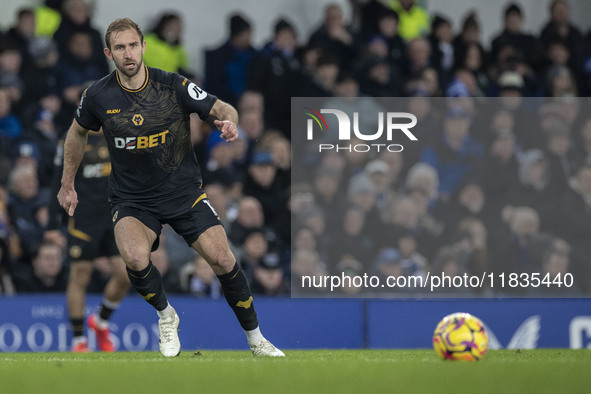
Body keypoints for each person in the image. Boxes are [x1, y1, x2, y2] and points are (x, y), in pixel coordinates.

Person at [57, 18, 283, 357]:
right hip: (132, 199)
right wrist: (67, 183)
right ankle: (166, 316)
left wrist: (230, 123)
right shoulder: (97, 96)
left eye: (133, 45)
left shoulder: (173, 85)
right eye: (120, 48)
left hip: (183, 193)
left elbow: (222, 107)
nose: (128, 53)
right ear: (109, 53)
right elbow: (76, 132)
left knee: (222, 259)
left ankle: (256, 339)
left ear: (144, 47)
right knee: (133, 257)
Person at [46, 131, 130, 353]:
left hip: (113, 216)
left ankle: (100, 322)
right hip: (83, 219)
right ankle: (78, 341)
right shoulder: (71, 139)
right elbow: (58, 180)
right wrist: (52, 225)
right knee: (80, 276)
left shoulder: (116, 133)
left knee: (125, 275)